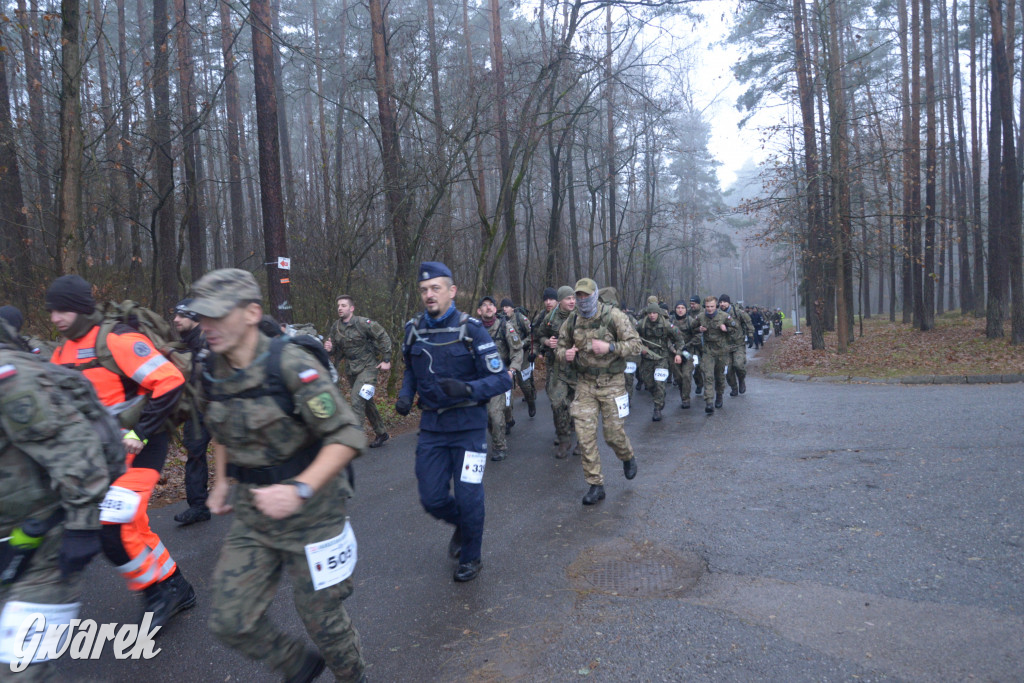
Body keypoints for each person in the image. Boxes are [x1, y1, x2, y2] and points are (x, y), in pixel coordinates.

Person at [188, 269, 365, 682]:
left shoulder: (290, 364)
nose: (206, 326)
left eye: (217, 316)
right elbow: (220, 430)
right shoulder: (210, 371)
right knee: (229, 619)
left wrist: (299, 489)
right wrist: (223, 481)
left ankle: (354, 676)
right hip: (255, 512)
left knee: (322, 620)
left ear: (252, 313)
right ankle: (296, 666)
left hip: (315, 511)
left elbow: (346, 434)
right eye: (202, 317)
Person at [46, 275, 195, 627]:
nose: (55, 318)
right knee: (136, 526)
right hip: (104, 455)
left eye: (62, 310)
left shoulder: (118, 340)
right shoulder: (61, 351)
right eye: (51, 311)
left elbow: (170, 380)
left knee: (113, 529)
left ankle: (156, 597)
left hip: (143, 446)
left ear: (81, 308)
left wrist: (140, 433)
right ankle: (177, 585)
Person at [0, 319, 110, 680]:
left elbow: (75, 447)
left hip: (39, 544)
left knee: (19, 671)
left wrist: (82, 527)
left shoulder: (10, 379)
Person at [395, 262, 513, 582]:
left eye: (436, 288)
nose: (429, 295)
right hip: (433, 427)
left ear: (452, 291)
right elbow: (409, 368)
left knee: (468, 495)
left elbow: (502, 380)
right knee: (432, 498)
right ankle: (462, 524)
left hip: (469, 428)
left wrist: (469, 388)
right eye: (424, 290)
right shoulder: (414, 329)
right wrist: (406, 395)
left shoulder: (472, 330)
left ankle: (471, 557)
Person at [557, 278, 642, 505]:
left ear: (594, 295)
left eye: (586, 295)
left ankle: (627, 455)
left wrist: (610, 347)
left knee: (612, 434)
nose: (582, 300)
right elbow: (560, 346)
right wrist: (564, 355)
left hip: (612, 382)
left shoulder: (614, 316)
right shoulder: (572, 320)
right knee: (585, 437)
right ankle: (595, 484)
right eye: (579, 296)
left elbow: (636, 344)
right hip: (584, 384)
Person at [325, 295, 392, 449]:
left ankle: (353, 440)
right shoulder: (336, 327)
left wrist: (386, 359)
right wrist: (329, 349)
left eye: (343, 305)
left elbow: (383, 336)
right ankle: (381, 433)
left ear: (351, 308)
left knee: (357, 399)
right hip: (351, 369)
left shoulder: (363, 323)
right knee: (366, 402)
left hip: (368, 367)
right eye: (338, 306)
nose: (340, 308)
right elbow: (334, 348)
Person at [171, 300, 212, 526]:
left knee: (248, 453)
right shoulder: (185, 343)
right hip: (197, 411)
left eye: (182, 315)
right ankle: (198, 507)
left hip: (221, 407)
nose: (176, 319)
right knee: (195, 454)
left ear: (194, 318)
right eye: (176, 315)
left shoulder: (208, 339)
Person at [478, 296, 523, 461]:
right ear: (479, 310)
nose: (489, 307)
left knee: (496, 414)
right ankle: (505, 423)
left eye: (491, 305)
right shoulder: (474, 329)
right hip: (481, 378)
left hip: (499, 376)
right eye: (485, 305)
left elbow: (517, 350)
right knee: (488, 416)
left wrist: (512, 369)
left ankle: (499, 446)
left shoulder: (505, 326)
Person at [535, 286, 577, 458]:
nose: (572, 301)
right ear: (560, 300)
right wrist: (546, 342)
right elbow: (540, 335)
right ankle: (564, 439)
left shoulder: (582, 317)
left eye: (573, 298)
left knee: (579, 407)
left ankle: (582, 441)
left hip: (578, 369)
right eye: (568, 298)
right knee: (557, 404)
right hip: (557, 368)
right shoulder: (550, 318)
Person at [636, 302, 685, 421]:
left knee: (659, 382)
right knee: (649, 383)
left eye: (654, 313)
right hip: (647, 358)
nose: (652, 315)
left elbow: (680, 340)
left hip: (662, 358)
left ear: (658, 313)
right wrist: (640, 348)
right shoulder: (641, 325)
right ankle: (660, 396)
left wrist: (678, 354)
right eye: (649, 313)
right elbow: (632, 337)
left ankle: (657, 408)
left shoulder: (666, 325)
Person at [501, 297, 537, 418]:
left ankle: (531, 402)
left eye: (506, 307)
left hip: (523, 355)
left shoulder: (520, 318)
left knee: (524, 384)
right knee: (507, 389)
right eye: (503, 307)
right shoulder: (501, 321)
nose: (504, 309)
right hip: (508, 358)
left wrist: (522, 344)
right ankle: (508, 418)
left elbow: (532, 334)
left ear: (512, 308)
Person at [695, 295, 732, 414]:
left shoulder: (724, 316)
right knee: (708, 376)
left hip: (721, 351)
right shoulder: (701, 316)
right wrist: (699, 329)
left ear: (716, 306)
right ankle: (709, 401)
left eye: (712, 306)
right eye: (707, 307)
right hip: (708, 351)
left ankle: (719, 395)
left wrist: (726, 329)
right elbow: (691, 328)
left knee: (719, 376)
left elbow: (736, 328)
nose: (710, 309)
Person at [718, 294, 752, 396]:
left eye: (724, 302)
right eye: (720, 302)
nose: (722, 304)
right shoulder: (718, 314)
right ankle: (734, 387)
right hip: (725, 346)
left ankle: (741, 380)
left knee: (738, 365)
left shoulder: (737, 312)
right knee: (728, 370)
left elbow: (748, 323)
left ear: (728, 302)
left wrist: (750, 336)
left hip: (738, 344)